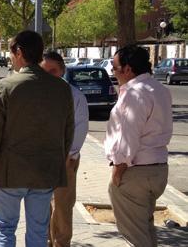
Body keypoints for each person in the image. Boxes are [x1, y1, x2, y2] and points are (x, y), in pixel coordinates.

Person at [0, 30, 75, 247]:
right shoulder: (62, 88)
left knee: (4, 228)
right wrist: (58, 164)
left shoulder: (7, 86)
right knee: (38, 231)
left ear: (20, 52)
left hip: (10, 173)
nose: (11, 58)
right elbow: (68, 132)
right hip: (45, 173)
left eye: (11, 53)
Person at [105, 45, 172, 247]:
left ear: (128, 69)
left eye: (115, 68)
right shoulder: (159, 89)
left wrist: (118, 169)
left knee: (134, 236)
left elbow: (128, 135)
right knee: (145, 229)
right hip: (158, 168)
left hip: (134, 172)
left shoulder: (134, 94)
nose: (113, 73)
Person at [41, 52, 89, 247]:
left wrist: (69, 155)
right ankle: (44, 242)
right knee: (40, 207)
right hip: (40, 161)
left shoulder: (75, 96)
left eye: (53, 71)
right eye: (44, 71)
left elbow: (80, 128)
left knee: (62, 208)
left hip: (65, 161)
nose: (49, 75)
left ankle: (61, 244)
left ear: (62, 71)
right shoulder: (35, 96)